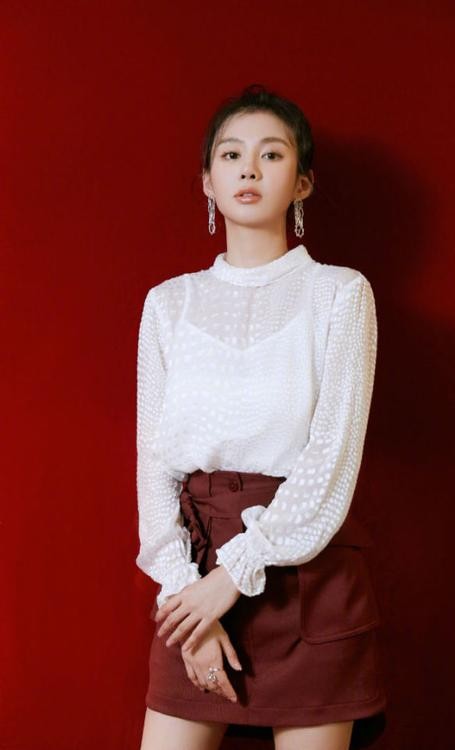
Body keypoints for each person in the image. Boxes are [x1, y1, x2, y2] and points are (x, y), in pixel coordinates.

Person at [136, 83, 387, 750]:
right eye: (231, 154)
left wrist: (234, 578)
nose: (249, 168)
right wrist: (188, 597)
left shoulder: (340, 295)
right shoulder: (168, 304)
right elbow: (154, 465)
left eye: (271, 154)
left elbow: (331, 459)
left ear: (302, 182)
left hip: (308, 579)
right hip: (195, 573)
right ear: (208, 182)